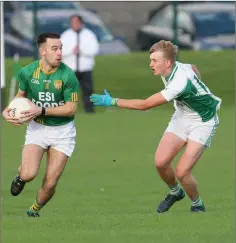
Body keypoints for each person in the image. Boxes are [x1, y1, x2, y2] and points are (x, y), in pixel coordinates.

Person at [90, 40, 222, 213]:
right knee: (160, 163)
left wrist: (113, 101)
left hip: (203, 122)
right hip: (182, 116)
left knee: (182, 172)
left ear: (167, 62)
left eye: (154, 61)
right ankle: (175, 192)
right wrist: (197, 89)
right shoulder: (173, 67)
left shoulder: (179, 82)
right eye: (151, 60)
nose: (150, 64)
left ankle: (197, 205)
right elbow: (193, 67)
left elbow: (145, 105)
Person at [2, 32, 80, 217]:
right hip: (37, 128)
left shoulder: (68, 75)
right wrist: (8, 110)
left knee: (51, 182)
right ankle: (21, 177)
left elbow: (70, 109)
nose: (59, 52)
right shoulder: (27, 72)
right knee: (29, 174)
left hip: (63, 132)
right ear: (42, 51)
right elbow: (20, 97)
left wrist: (41, 110)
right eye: (54, 48)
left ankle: (34, 210)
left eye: (60, 48)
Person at [61, 14, 99, 113]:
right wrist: (71, 51)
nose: (75, 24)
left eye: (77, 22)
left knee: (88, 90)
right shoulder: (66, 35)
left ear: (81, 23)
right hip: (70, 69)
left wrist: (81, 51)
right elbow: (60, 50)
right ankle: (67, 111)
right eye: (73, 22)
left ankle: (90, 110)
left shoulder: (89, 35)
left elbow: (94, 49)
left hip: (85, 68)